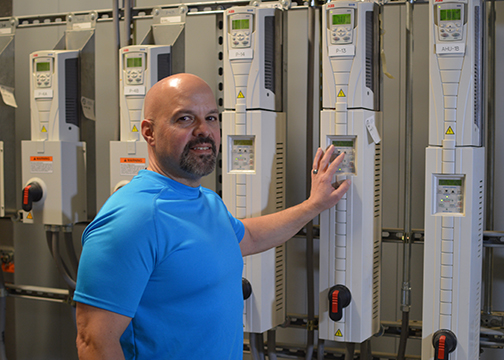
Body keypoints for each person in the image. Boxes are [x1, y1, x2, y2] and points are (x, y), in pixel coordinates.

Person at [74, 73, 350, 360]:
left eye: (211, 118)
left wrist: (313, 205)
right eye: (185, 119)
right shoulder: (134, 218)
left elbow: (251, 237)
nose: (203, 130)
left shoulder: (206, 201)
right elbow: (94, 342)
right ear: (149, 132)